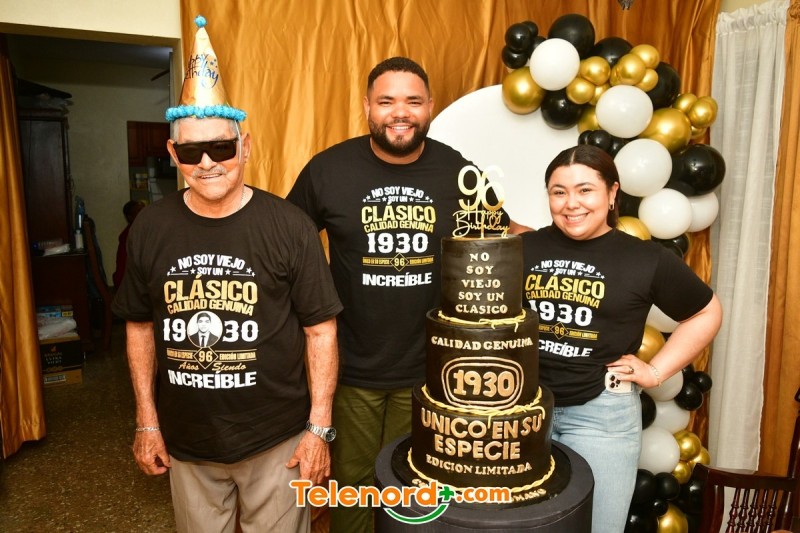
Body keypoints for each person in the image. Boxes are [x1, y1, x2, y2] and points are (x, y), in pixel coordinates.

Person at [112, 16, 342, 533]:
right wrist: (146, 421)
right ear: (172, 154)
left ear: (246, 146)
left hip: (277, 440)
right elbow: (139, 326)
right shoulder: (150, 227)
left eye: (221, 147)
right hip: (186, 440)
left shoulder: (289, 225)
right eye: (190, 151)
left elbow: (321, 330)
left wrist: (319, 429)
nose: (207, 163)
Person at [287, 56, 527, 533]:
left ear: (430, 106)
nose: (400, 112)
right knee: (353, 485)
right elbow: (286, 247)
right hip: (350, 367)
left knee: (414, 487)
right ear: (367, 107)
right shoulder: (328, 169)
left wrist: (573, 243)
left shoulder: (457, 171)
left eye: (413, 101)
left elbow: (505, 236)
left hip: (429, 368)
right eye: (387, 101)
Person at [520, 144, 722, 533]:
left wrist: (656, 371)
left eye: (585, 190)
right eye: (559, 191)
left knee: (599, 527)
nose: (571, 203)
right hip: (524, 411)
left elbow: (706, 312)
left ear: (612, 193)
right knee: (526, 525)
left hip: (602, 417)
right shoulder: (524, 249)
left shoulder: (646, 258)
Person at [112, 199, 145, 288]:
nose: (144, 214)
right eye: (139, 211)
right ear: (130, 217)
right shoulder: (130, 235)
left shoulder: (141, 231)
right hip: (129, 284)